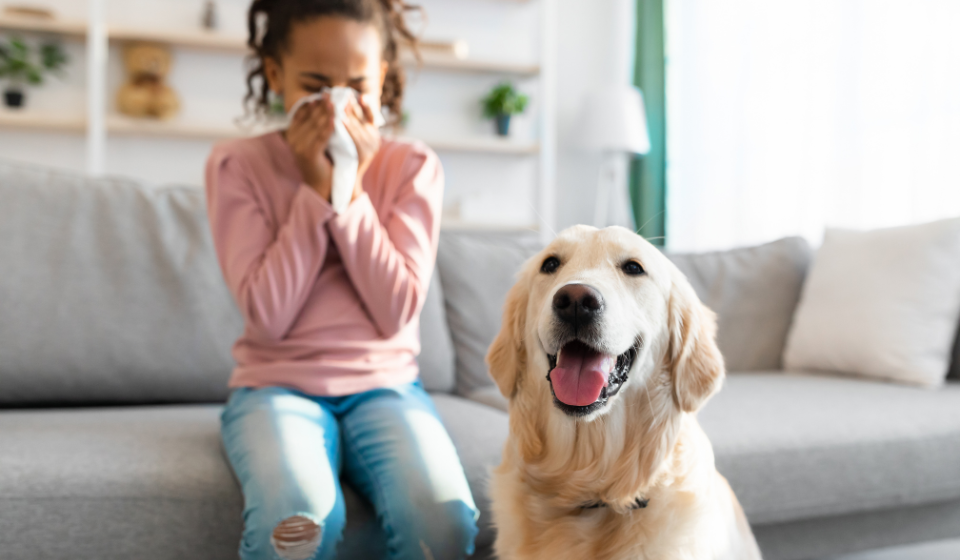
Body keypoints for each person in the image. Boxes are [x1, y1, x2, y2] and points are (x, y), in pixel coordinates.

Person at [204, 1, 478, 559]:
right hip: (276, 386)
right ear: (276, 76)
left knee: (443, 523)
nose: (337, 101)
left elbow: (397, 308)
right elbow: (269, 314)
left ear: (383, 81)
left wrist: (348, 191)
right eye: (315, 83)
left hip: (387, 388)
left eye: (357, 84)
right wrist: (312, 191)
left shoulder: (412, 168)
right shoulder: (238, 166)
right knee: (296, 527)